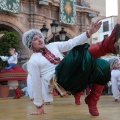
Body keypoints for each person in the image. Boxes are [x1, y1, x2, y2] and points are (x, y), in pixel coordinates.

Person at [22, 21, 120, 116]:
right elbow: (36, 84)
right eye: (35, 39)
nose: (40, 39)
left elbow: (72, 42)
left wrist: (89, 32)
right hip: (61, 81)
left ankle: (92, 100)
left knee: (103, 65)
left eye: (40, 37)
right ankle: (107, 45)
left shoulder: (52, 45)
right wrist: (39, 106)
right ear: (30, 44)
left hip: (73, 74)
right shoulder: (32, 62)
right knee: (75, 55)